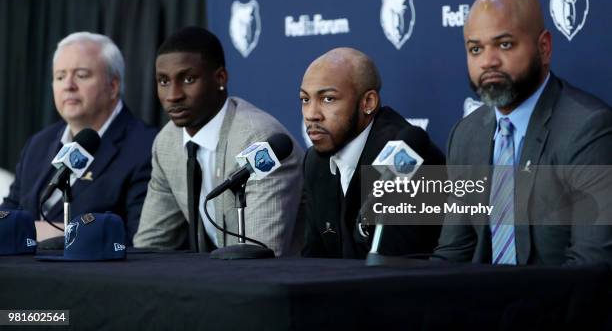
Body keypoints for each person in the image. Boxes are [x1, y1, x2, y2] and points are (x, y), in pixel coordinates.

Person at [434, 0, 612, 265]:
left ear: (544, 48)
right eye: (476, 49)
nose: (488, 62)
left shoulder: (587, 128)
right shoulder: (466, 135)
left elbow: (591, 264)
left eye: (504, 44)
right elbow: (454, 253)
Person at [133, 26, 303, 256]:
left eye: (188, 79)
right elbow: (150, 245)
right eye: (163, 81)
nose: (173, 95)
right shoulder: (167, 142)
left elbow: (261, 254)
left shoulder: (258, 139)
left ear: (220, 78)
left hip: (292, 282)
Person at [1, 32, 157, 244]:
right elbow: (7, 217)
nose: (68, 85)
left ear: (113, 86)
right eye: (60, 76)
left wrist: (48, 233)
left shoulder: (146, 147)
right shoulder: (38, 144)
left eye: (81, 75)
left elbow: (142, 241)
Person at [300, 47, 445, 258]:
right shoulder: (315, 162)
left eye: (328, 99)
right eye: (305, 100)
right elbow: (313, 259)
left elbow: (402, 264)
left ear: (368, 102)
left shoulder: (406, 157)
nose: (312, 114)